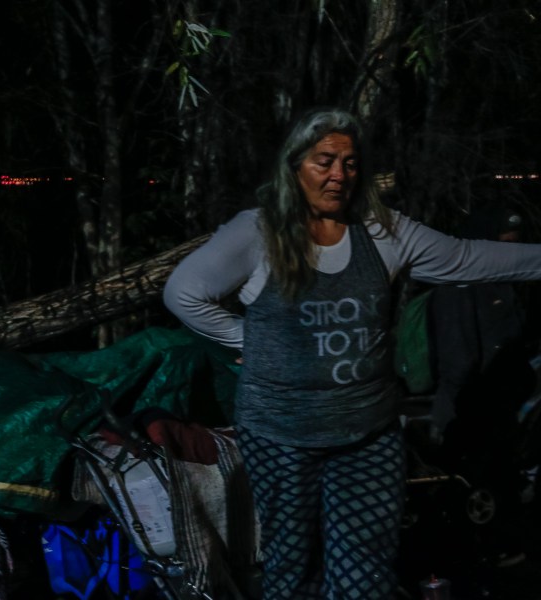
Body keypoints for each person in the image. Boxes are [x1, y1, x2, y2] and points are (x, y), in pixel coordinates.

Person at [162, 107, 541, 599]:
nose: (338, 175)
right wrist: (247, 340)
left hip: (367, 435)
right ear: (295, 165)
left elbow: (465, 257)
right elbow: (184, 292)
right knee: (294, 569)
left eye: (350, 163)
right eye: (324, 161)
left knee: (364, 575)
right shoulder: (258, 232)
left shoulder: (382, 232)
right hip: (281, 436)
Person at [428, 205, 540, 567]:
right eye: (504, 237)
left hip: (498, 400)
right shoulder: (462, 282)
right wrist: (463, 402)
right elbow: (457, 354)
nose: (511, 244)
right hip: (473, 403)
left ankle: (494, 545)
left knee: (496, 475)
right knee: (471, 480)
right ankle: (471, 551)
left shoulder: (500, 280)